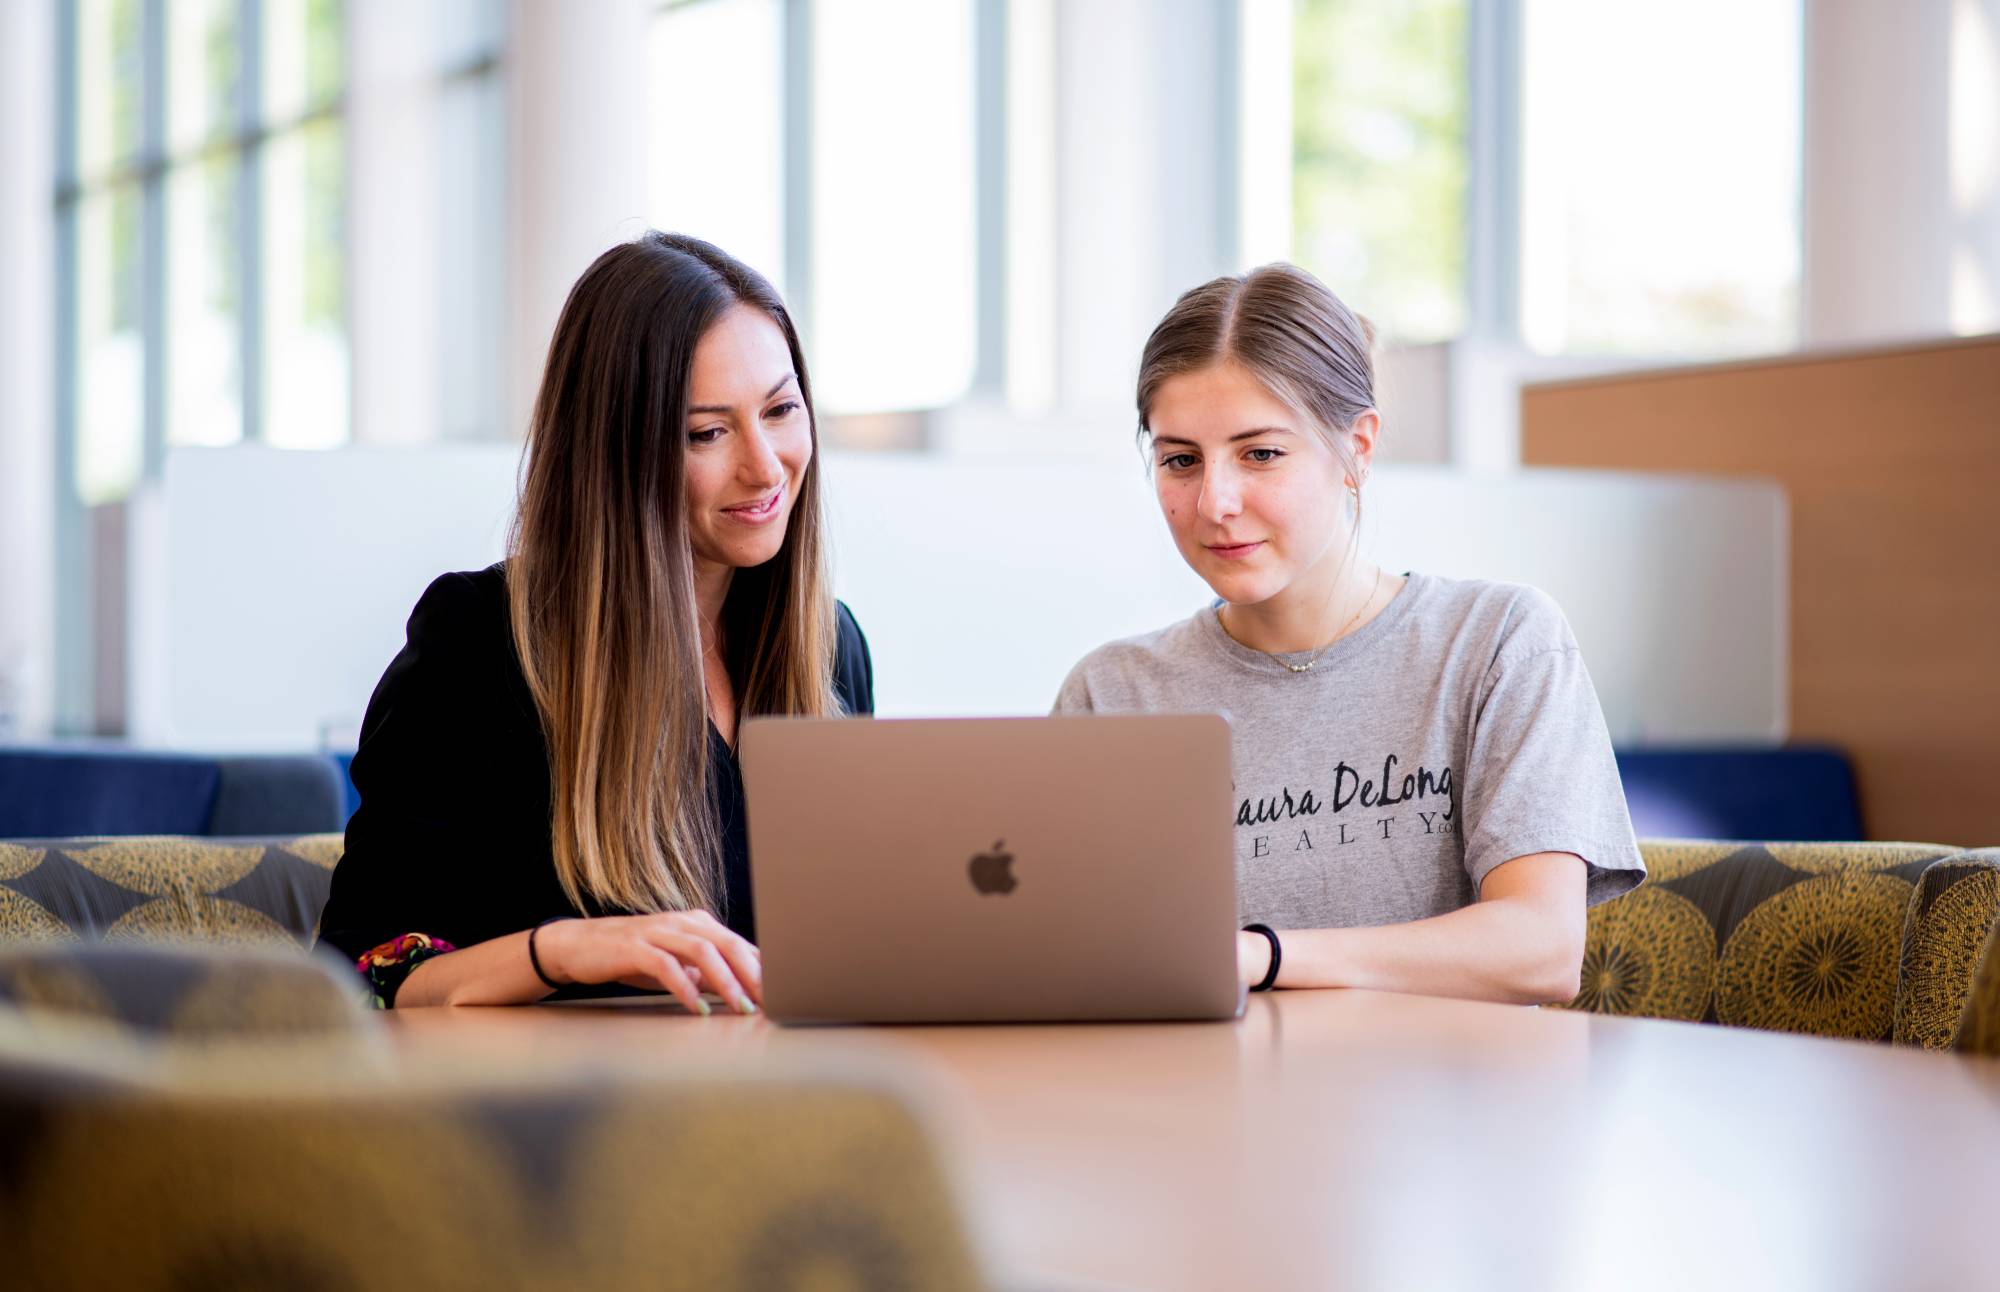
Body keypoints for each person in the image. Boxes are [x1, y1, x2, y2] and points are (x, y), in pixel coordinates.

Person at [1053, 263, 1643, 1005]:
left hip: (1447, 1111)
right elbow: (1073, 957)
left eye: (1261, 453)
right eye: (1180, 460)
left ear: (1357, 449)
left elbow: (1540, 951)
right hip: (1192, 1108)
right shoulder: (1113, 693)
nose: (1216, 502)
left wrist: (1258, 959)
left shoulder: (1497, 643)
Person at [317, 233, 872, 1013]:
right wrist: (563, 952)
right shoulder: (479, 644)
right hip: (563, 1115)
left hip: (774, 1105)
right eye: (706, 433)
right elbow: (364, 975)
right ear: (617, 452)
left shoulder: (828, 649)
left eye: (781, 410)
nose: (766, 464)